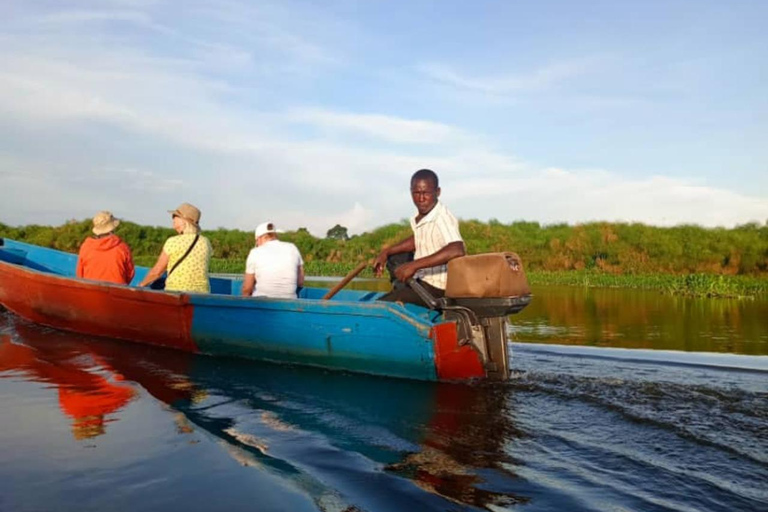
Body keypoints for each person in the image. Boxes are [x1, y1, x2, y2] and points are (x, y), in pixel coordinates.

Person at [373, 169, 465, 306]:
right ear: (411, 192)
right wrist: (386, 252)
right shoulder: (425, 216)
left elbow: (457, 249)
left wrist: (414, 265)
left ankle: (399, 296)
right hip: (422, 281)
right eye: (416, 193)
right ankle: (400, 290)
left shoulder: (441, 217)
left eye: (426, 193)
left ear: (437, 192)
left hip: (438, 288)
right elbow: (418, 239)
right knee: (396, 258)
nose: (421, 198)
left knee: (381, 306)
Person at [138, 203, 212, 293]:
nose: (173, 218)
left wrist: (140, 285)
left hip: (176, 293)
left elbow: (157, 272)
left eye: (176, 216)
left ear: (184, 221)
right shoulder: (205, 242)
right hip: (202, 293)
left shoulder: (173, 242)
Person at [241, 222, 304, 299]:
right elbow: (300, 282)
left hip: (261, 304)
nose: (257, 244)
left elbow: (247, 289)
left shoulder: (255, 252)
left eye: (256, 241)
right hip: (290, 302)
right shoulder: (293, 248)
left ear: (259, 238)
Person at [76, 211, 135, 285]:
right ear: (112, 228)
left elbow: (80, 274)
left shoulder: (86, 247)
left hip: (90, 291)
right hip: (117, 292)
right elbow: (130, 274)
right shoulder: (122, 248)